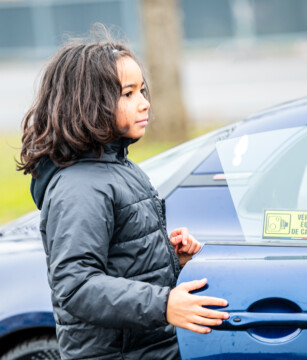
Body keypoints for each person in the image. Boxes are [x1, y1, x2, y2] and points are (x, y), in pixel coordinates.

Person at [17, 25, 229, 360]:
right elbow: (76, 286)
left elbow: (124, 265)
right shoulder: (79, 186)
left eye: (142, 91)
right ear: (88, 103)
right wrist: (164, 304)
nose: (144, 103)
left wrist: (173, 260)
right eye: (128, 94)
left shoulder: (118, 167)